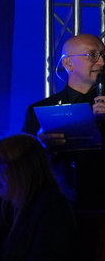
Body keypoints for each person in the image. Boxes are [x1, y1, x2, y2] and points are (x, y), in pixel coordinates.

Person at [24, 33, 105, 210]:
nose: (102, 62)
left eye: (103, 55)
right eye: (92, 55)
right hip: (58, 207)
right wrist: (40, 145)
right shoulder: (41, 110)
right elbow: (21, 166)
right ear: (68, 63)